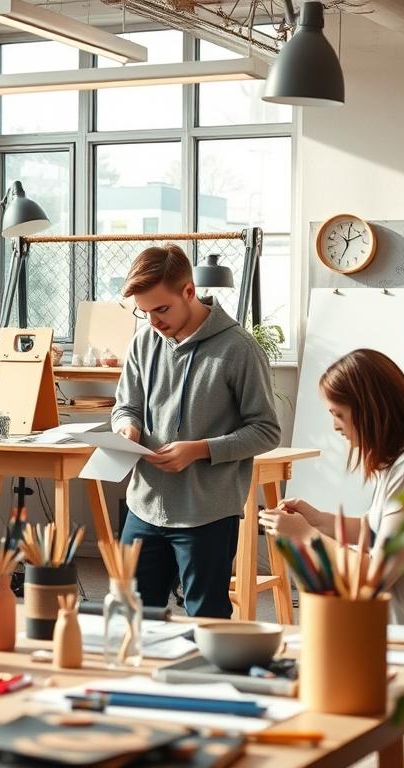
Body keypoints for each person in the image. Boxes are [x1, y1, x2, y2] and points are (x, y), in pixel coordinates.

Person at [111, 245, 281, 618]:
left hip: (207, 513)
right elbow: (126, 406)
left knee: (206, 620)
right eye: (144, 311)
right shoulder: (144, 341)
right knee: (130, 615)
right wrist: (128, 428)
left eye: (161, 309)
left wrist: (201, 449)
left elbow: (267, 430)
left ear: (189, 291)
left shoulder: (239, 349)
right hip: (144, 506)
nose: (153, 321)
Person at [257, 348, 404, 626]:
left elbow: (376, 576)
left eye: (338, 414)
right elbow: (378, 530)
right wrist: (318, 520)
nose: (335, 426)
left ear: (368, 409)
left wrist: (306, 535)